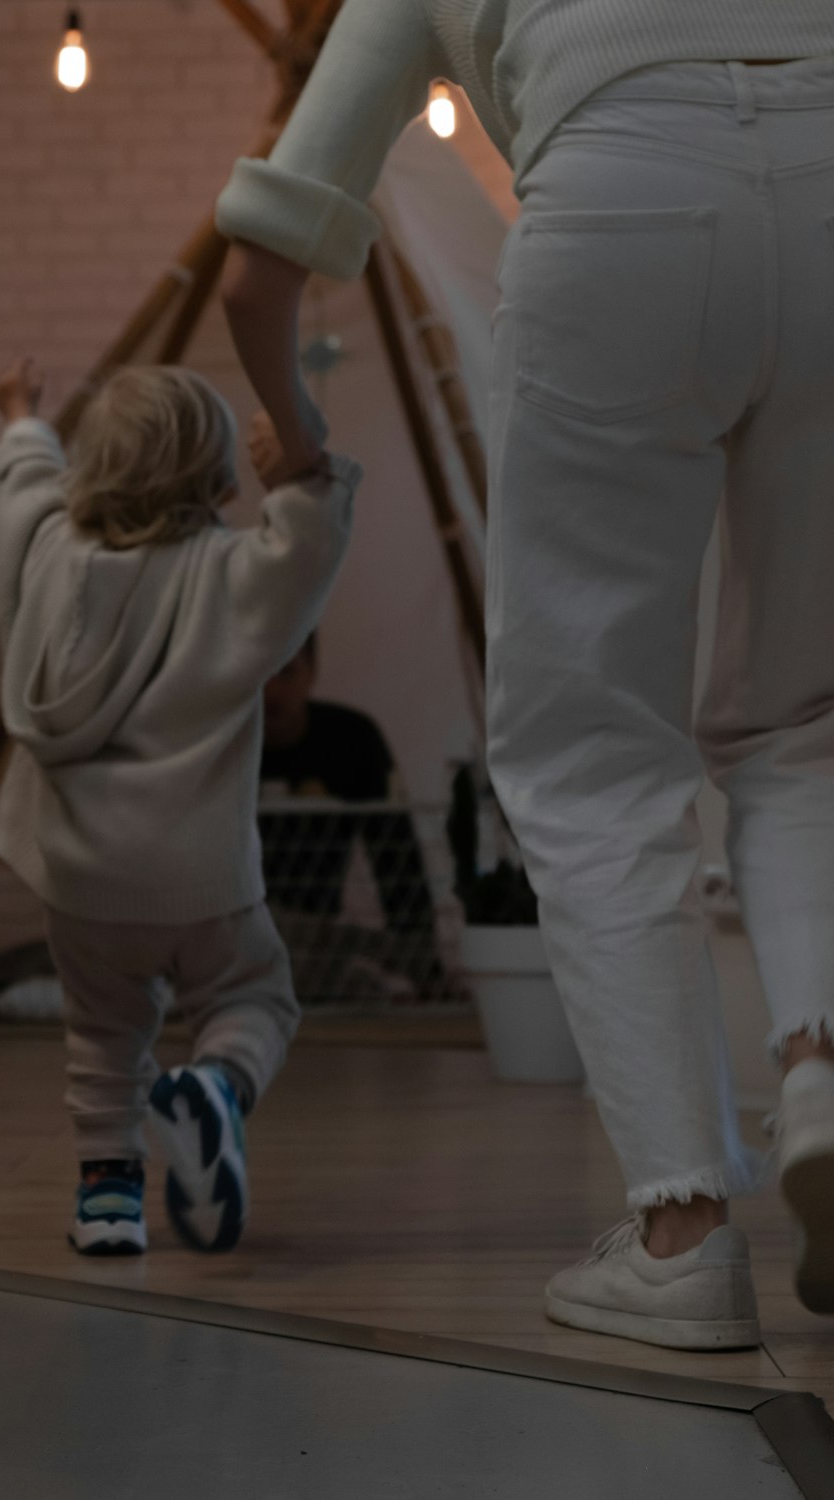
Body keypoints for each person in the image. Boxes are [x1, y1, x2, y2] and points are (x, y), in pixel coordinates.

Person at [215, 1, 834, 1348]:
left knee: (590, 749)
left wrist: (307, 442)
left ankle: (680, 1236)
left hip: (620, 213)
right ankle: (824, 1071)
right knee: (807, 719)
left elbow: (256, 268)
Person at [0, 358, 360, 1256]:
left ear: (91, 472)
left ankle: (108, 1202)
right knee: (254, 997)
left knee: (105, 1030)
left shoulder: (45, 557)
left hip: (80, 879)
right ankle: (219, 1091)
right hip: (198, 873)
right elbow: (307, 542)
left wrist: (21, 418)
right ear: (222, 478)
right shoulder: (233, 576)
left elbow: (20, 491)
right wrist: (302, 466)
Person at [260, 633, 451, 1004]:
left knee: (321, 968)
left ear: (311, 672)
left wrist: (421, 955)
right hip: (238, 935)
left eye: (285, 670)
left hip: (317, 942)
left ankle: (380, 969)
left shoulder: (351, 739)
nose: (270, 688)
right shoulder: (222, 744)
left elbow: (396, 854)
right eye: (258, 671)